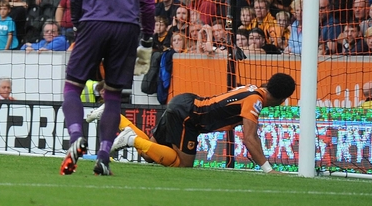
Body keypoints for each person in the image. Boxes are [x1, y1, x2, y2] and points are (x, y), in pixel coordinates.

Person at [59, 0, 156, 177]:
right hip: (127, 27)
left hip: (93, 22)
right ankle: (103, 157)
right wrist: (147, 39)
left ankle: (76, 135)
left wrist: (79, 25)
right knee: (113, 96)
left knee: (72, 87)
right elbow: (148, 4)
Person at [93, 73, 296, 171]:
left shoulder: (254, 90)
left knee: (151, 154)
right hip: (189, 116)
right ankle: (131, 140)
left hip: (185, 103)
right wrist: (269, 170)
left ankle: (113, 115)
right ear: (282, 99)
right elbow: (250, 138)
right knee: (183, 165)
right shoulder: (255, 101)